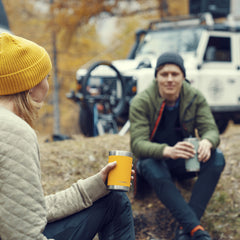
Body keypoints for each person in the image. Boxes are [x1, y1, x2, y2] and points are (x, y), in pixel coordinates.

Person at [0, 33, 135, 240]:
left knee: (112, 198)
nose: (47, 84)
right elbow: (24, 235)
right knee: (116, 203)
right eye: (46, 77)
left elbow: (23, 212)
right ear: (30, 84)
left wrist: (98, 184)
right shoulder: (15, 132)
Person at [129, 52, 225, 240]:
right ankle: (196, 231)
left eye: (175, 74)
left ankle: (185, 228)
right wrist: (166, 151)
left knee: (217, 157)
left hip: (184, 160)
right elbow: (137, 144)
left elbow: (211, 130)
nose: (170, 79)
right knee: (148, 164)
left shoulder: (195, 97)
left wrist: (207, 141)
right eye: (164, 74)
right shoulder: (141, 101)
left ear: (183, 76)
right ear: (156, 77)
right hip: (155, 163)